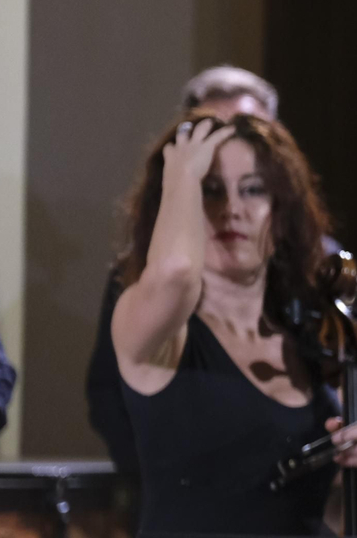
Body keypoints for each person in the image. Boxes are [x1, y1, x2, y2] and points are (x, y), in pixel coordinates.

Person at [111, 112, 357, 535]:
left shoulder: (315, 343)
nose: (232, 210)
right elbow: (176, 273)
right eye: (211, 190)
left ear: (281, 213)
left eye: (253, 189)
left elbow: (336, 516)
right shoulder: (152, 326)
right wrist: (183, 168)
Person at [87, 66, 309, 476]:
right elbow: (108, 398)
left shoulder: (314, 275)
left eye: (253, 187)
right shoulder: (144, 281)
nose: (232, 208)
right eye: (208, 134)